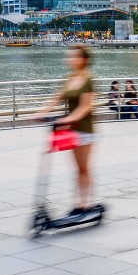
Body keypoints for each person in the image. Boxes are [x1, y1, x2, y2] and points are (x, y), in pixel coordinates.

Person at [38, 46, 98, 216]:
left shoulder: (88, 79)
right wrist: (43, 112)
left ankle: (86, 202)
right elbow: (58, 97)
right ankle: (78, 202)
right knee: (76, 167)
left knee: (84, 167)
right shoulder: (71, 78)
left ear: (84, 60)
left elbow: (85, 107)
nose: (71, 59)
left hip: (85, 130)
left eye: (76, 56)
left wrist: (69, 119)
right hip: (71, 130)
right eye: (71, 56)